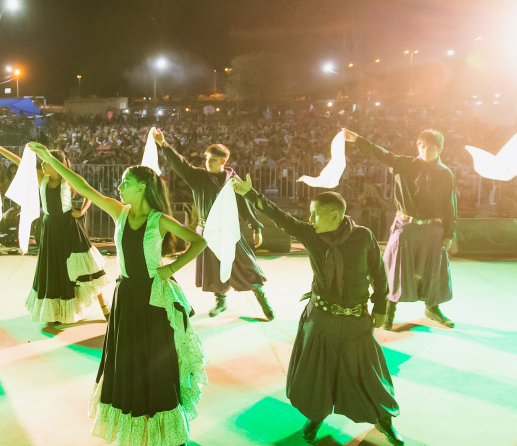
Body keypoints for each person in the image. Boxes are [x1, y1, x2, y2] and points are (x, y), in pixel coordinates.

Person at [28, 141, 208, 446]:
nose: (120, 187)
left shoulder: (160, 220)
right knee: (126, 360)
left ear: (141, 188)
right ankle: (136, 425)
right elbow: (82, 187)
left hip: (154, 297)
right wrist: (48, 159)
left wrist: (170, 268)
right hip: (125, 296)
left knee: (155, 360)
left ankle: (162, 428)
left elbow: (199, 242)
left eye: (126, 182)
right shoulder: (119, 212)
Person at [233, 177, 403, 445]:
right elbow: (281, 217)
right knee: (318, 374)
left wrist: (381, 306)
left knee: (368, 374)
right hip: (321, 318)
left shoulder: (363, 237)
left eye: (315, 214)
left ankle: (384, 420)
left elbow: (378, 274)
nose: (310, 219)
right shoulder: (311, 234)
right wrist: (249, 193)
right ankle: (316, 416)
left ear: (334, 215)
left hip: (357, 320)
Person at [0, 132, 110, 323]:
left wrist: (82, 211)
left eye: (44, 162)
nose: (41, 164)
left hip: (69, 229)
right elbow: (20, 162)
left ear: (55, 164)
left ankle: (105, 306)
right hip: (50, 228)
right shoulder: (41, 177)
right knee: (55, 269)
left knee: (85, 268)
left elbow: (89, 193)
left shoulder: (67, 179)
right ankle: (57, 311)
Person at [153, 129, 273, 319]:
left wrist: (256, 227)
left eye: (212, 160)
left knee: (246, 265)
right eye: (206, 159)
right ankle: (220, 301)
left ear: (223, 161)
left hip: (229, 230)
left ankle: (261, 298)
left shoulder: (233, 181)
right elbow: (180, 164)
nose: (207, 162)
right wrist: (163, 144)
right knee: (214, 268)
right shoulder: (198, 177)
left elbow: (245, 205)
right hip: (207, 231)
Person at [343, 128, 456, 329]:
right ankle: (388, 310)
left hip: (432, 230)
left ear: (440, 149)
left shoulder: (446, 174)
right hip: (406, 226)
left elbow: (450, 205)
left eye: (430, 147)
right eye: (421, 146)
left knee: (432, 271)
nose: (425, 150)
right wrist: (358, 139)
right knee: (394, 269)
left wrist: (449, 233)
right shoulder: (405, 164)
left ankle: (432, 307)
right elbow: (382, 154)